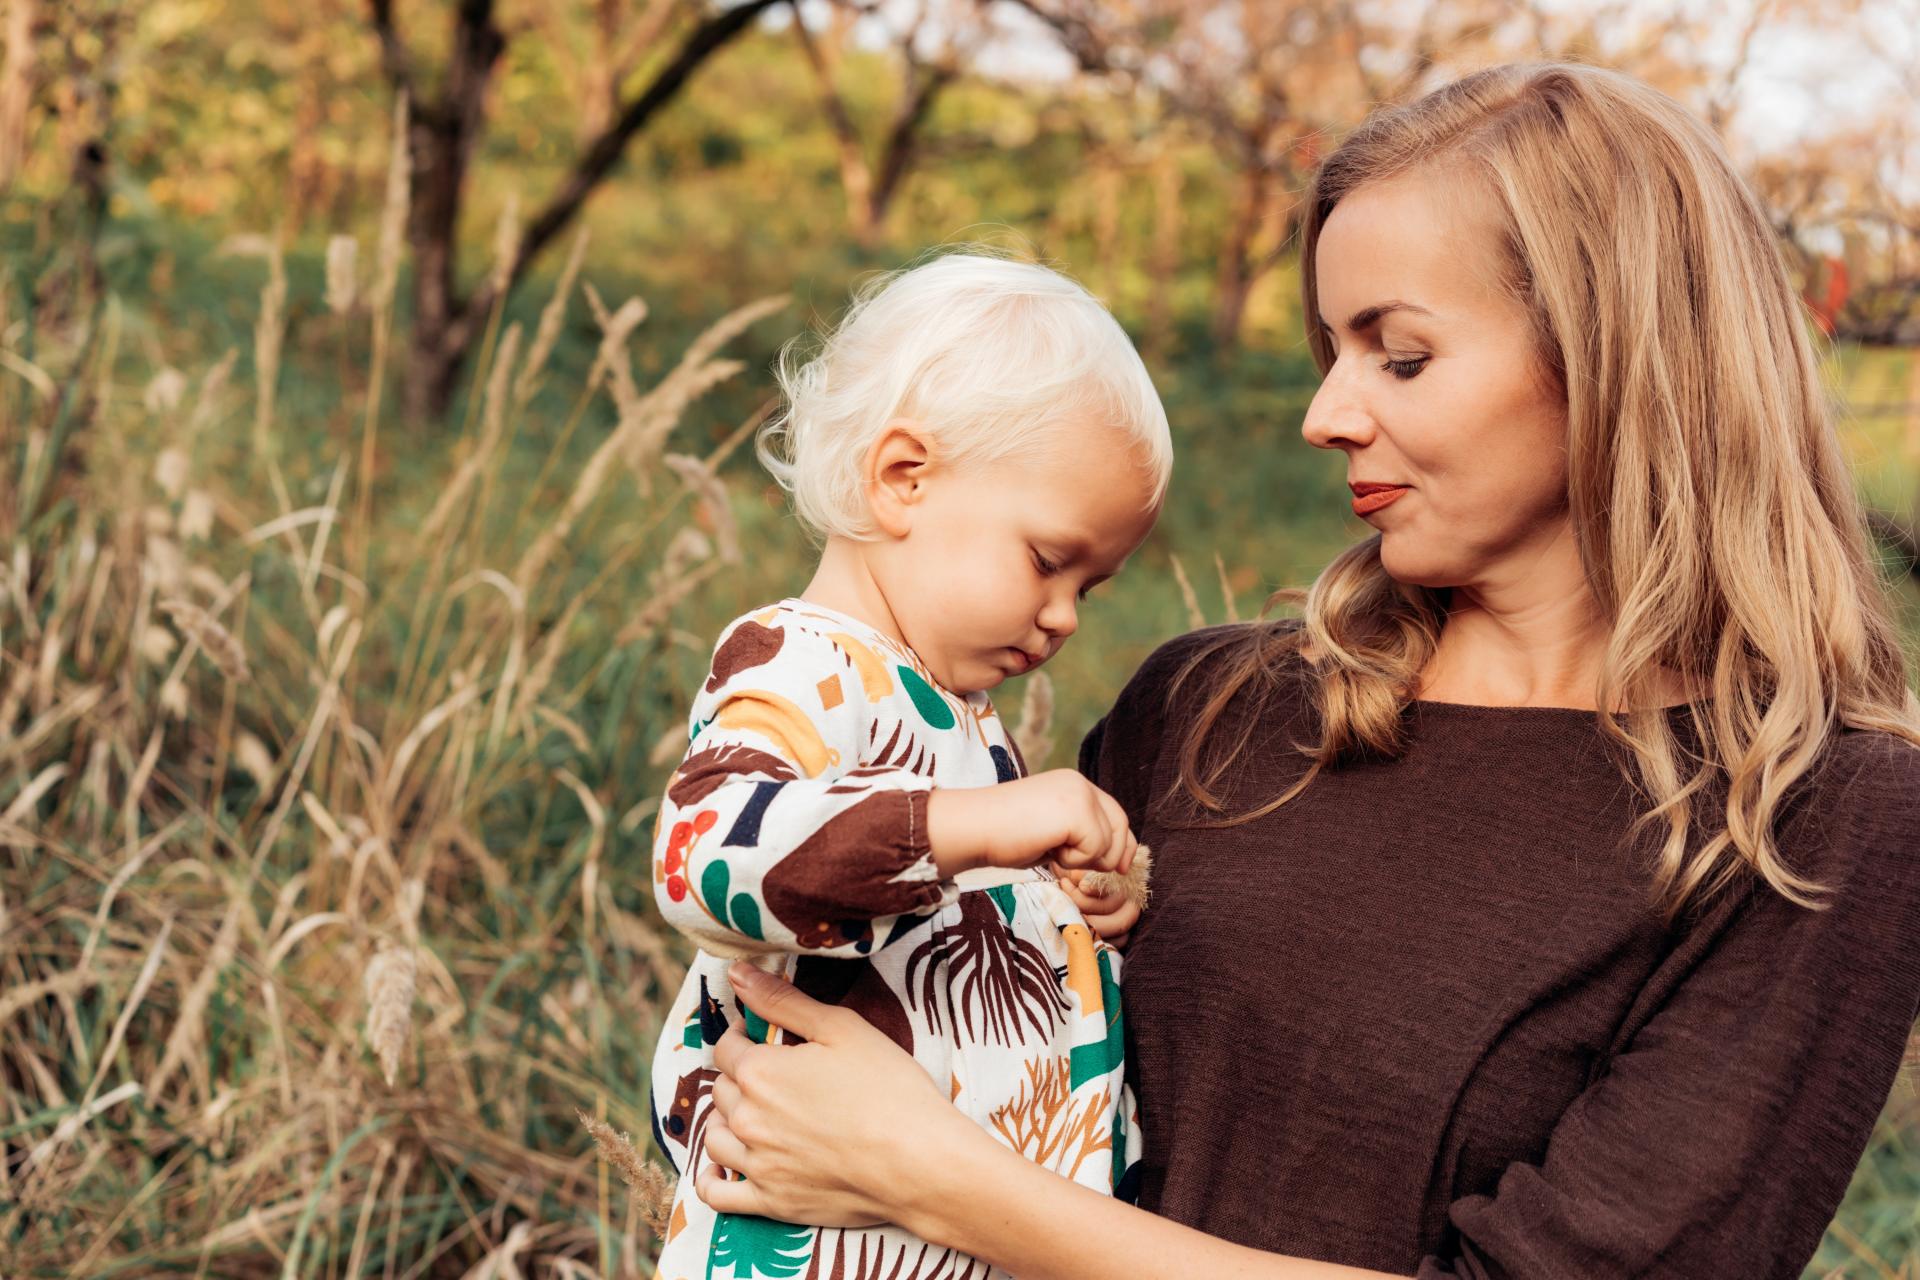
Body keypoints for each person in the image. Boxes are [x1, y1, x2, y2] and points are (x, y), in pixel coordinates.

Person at [687, 62, 1920, 1280]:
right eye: (1331, 347)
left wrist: (939, 1179)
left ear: (1613, 355)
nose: (1325, 413)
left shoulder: (1815, 814)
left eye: (1400, 355)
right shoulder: (1210, 708)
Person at [645, 252, 1170, 1279]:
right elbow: (704, 854)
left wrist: (1086, 910)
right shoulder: (802, 663)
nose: (1064, 616)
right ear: (903, 479)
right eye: (1046, 560)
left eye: (1091, 588)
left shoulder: (954, 715)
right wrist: (985, 826)